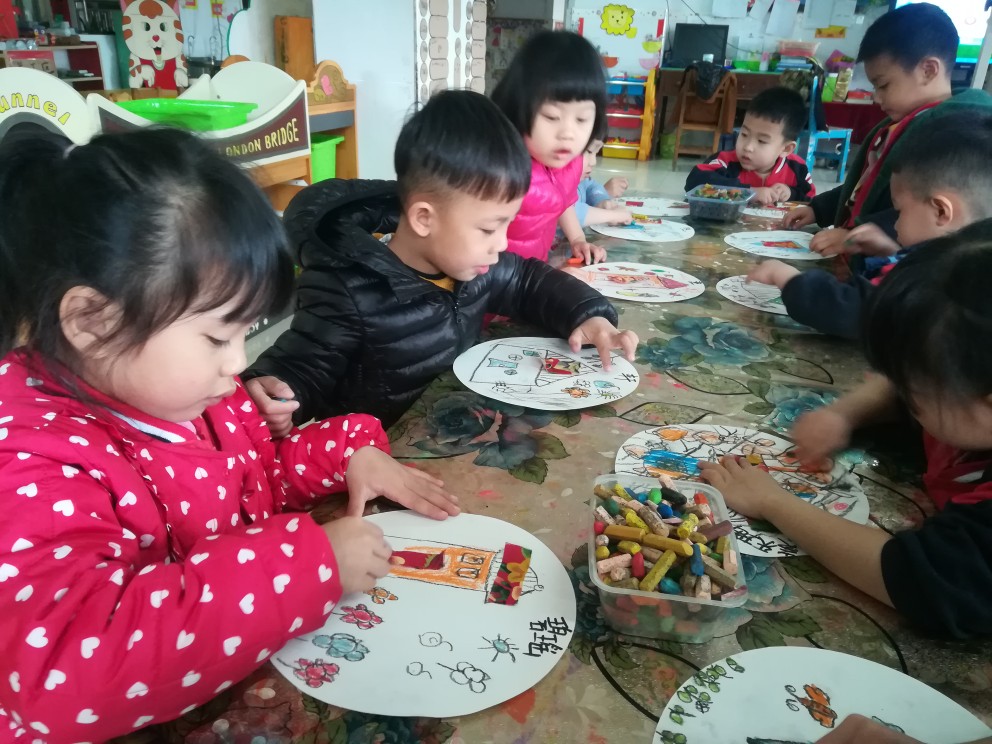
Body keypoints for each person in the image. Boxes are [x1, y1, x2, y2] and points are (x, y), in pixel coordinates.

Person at [0, 128, 461, 742]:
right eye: (217, 337)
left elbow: (259, 481)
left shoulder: (190, 393)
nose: (240, 362)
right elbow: (65, 674)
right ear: (93, 320)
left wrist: (348, 451)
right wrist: (310, 567)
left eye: (248, 331)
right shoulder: (30, 456)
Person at [244, 90, 637, 438]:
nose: (502, 244)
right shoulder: (347, 291)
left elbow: (527, 281)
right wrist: (272, 392)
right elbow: (303, 367)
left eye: (507, 225)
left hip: (461, 431)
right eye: (489, 228)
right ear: (424, 219)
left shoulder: (474, 267)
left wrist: (588, 315)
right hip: (377, 461)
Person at [700, 220, 992, 640]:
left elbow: (919, 578)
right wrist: (845, 414)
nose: (899, 389)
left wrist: (771, 500)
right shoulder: (970, 392)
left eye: (915, 388)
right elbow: (893, 388)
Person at [747, 110, 992, 339]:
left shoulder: (947, 279)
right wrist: (890, 252)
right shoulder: (965, 255)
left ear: (941, 211)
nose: (895, 223)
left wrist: (787, 278)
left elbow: (853, 310)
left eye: (899, 211)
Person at [783, 2, 992, 259]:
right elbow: (863, 187)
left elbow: (915, 209)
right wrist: (819, 209)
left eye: (883, 85)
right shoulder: (897, 125)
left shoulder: (954, 133)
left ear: (928, 70)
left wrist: (856, 235)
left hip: (889, 266)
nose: (876, 97)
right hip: (854, 255)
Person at [491, 29, 609, 264]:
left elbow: (562, 202)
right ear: (518, 107)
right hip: (489, 271)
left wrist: (577, 239)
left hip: (532, 270)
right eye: (552, 117)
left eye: (582, 119)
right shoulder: (499, 165)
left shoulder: (572, 163)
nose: (567, 134)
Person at [685, 86, 815, 206]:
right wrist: (747, 192)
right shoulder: (725, 161)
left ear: (786, 149)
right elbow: (695, 181)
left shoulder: (797, 168)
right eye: (744, 134)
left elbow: (811, 202)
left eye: (762, 141)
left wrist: (790, 192)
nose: (748, 147)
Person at [573, 137, 632, 228]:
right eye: (589, 152)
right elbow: (567, 211)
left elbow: (590, 186)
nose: (594, 162)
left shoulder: (582, 179)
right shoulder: (552, 185)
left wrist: (601, 201)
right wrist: (612, 216)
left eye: (596, 153)